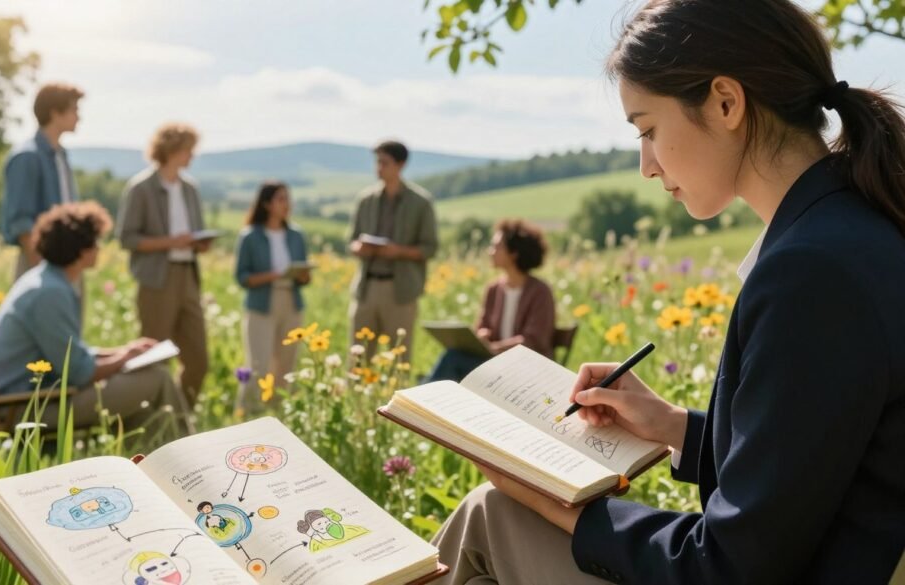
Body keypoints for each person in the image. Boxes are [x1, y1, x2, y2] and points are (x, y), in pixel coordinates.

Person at [432, 1, 905, 583]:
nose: (645, 166)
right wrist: (672, 424)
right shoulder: (850, 232)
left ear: (726, 102)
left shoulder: (811, 272)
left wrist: (565, 507)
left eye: (648, 129)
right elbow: (810, 465)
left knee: (492, 514)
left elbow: (730, 565)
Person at [0, 202, 187, 433]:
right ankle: (192, 455)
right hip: (26, 407)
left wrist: (123, 351)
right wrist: (124, 359)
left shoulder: (44, 280)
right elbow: (78, 372)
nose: (99, 249)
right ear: (81, 250)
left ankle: (160, 461)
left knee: (146, 416)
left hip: (27, 399)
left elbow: (70, 353)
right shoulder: (51, 293)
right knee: (156, 378)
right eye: (96, 243)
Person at [117, 123, 210, 404]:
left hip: (188, 276)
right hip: (157, 279)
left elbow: (194, 231)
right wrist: (170, 242)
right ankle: (153, 417)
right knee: (154, 357)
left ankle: (181, 415)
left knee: (198, 359)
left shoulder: (190, 189)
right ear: (171, 150)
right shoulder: (141, 188)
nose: (191, 156)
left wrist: (198, 243)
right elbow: (127, 238)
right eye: (188, 150)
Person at [426, 219, 555, 382]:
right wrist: (481, 336)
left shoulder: (540, 292)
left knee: (453, 360)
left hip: (527, 370)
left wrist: (493, 348)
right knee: (453, 356)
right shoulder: (493, 289)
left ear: (513, 253)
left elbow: (533, 341)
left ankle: (416, 401)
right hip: (495, 365)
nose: (490, 251)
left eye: (496, 246)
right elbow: (482, 326)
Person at [348, 140, 437, 359]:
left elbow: (430, 248)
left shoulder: (421, 203)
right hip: (366, 289)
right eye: (377, 162)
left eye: (384, 162)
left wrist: (397, 252)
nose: (378, 168)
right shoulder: (365, 200)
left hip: (401, 292)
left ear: (401, 164)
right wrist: (360, 248)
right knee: (358, 360)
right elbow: (352, 241)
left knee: (399, 360)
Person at [234, 181, 310, 414]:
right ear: (266, 204)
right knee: (259, 364)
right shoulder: (250, 237)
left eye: (288, 198)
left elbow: (304, 276)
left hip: (291, 301)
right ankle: (248, 411)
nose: (287, 204)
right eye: (281, 199)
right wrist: (271, 276)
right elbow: (242, 277)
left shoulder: (296, 235)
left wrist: (303, 275)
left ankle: (279, 412)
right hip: (261, 303)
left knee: (286, 363)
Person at [0, 83, 84, 280]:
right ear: (55, 113)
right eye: (74, 110)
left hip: (68, 262)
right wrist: (44, 273)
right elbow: (22, 222)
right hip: (40, 264)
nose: (79, 117)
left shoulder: (61, 156)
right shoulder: (27, 157)